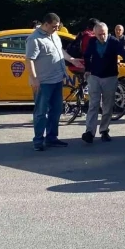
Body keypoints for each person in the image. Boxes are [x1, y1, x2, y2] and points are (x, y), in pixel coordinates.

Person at [25, 12, 84, 151]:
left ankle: (51, 138)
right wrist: (34, 78)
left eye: (58, 26)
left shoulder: (54, 35)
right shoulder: (34, 39)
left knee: (56, 111)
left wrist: (71, 59)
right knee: (41, 112)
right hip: (43, 82)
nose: (57, 29)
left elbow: (60, 50)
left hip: (57, 80)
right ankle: (38, 141)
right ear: (45, 24)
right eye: (54, 26)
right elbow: (29, 60)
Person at [82, 22, 125, 143]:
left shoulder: (113, 41)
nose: (102, 36)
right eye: (99, 34)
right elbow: (87, 55)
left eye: (104, 34)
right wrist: (87, 70)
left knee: (108, 106)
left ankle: (104, 130)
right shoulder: (92, 41)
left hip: (110, 77)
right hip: (94, 76)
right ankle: (89, 132)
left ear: (107, 32)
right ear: (94, 33)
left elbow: (123, 51)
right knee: (93, 105)